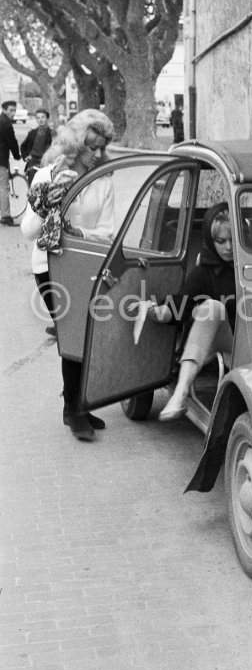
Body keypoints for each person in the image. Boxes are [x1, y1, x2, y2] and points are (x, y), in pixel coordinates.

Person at [20, 109, 115, 441]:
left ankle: (78, 404)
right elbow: (28, 230)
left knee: (86, 334)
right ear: (75, 145)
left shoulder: (103, 179)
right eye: (92, 147)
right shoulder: (46, 175)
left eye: (103, 147)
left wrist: (77, 233)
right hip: (49, 266)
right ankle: (73, 409)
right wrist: (47, 201)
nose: (98, 154)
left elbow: (108, 231)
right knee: (72, 330)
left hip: (87, 264)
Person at [146, 202, 235, 421]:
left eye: (234, 240)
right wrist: (156, 312)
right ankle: (181, 391)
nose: (229, 247)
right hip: (232, 343)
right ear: (210, 240)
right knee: (212, 307)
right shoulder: (204, 271)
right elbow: (180, 306)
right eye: (221, 241)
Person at [0, 100, 21, 225]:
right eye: (11, 110)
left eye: (14, 110)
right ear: (4, 110)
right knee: (4, 187)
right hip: (1, 160)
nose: (13, 113)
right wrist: (17, 156)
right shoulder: (6, 123)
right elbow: (12, 142)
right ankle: (6, 217)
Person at [21, 108, 53, 187]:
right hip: (33, 162)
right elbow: (23, 146)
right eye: (38, 118)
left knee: (45, 188)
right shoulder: (32, 132)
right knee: (32, 187)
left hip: (46, 163)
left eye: (43, 117)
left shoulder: (51, 133)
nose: (40, 120)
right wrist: (25, 156)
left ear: (47, 118)